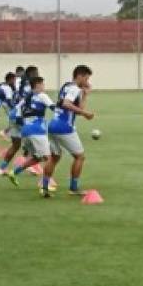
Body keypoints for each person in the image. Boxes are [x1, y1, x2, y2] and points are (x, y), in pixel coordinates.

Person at [45, 65, 96, 198]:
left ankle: (44, 188)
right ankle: (74, 188)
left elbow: (71, 106)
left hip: (52, 125)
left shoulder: (66, 86)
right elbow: (67, 104)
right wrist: (85, 113)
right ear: (80, 75)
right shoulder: (74, 88)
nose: (87, 81)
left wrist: (85, 95)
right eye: (86, 78)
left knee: (55, 157)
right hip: (64, 127)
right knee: (80, 157)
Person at [6, 76, 55, 188]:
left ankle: (14, 172)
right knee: (49, 158)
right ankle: (45, 187)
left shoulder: (26, 97)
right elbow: (54, 108)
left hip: (25, 131)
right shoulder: (42, 95)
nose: (44, 86)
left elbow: (17, 115)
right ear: (37, 85)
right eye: (43, 84)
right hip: (37, 131)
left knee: (38, 157)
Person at [0, 66, 39, 174]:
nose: (38, 75)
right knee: (33, 142)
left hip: (13, 115)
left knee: (16, 145)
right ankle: (28, 165)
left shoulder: (20, 82)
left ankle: (1, 168)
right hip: (21, 117)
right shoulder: (29, 87)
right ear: (32, 74)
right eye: (36, 73)